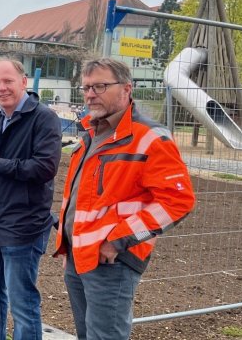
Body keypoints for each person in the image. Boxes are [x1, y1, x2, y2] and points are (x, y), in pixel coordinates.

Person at [54, 58, 195, 340]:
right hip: (79, 256)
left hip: (112, 262)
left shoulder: (149, 138)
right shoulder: (92, 134)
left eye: (101, 86)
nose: (91, 93)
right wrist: (67, 241)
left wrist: (118, 241)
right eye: (87, 87)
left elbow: (178, 202)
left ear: (126, 89)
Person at [0, 57, 63, 340]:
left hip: (24, 226)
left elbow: (45, 167)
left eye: (8, 81)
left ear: (23, 82)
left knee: (22, 304)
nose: (2, 88)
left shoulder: (43, 118)